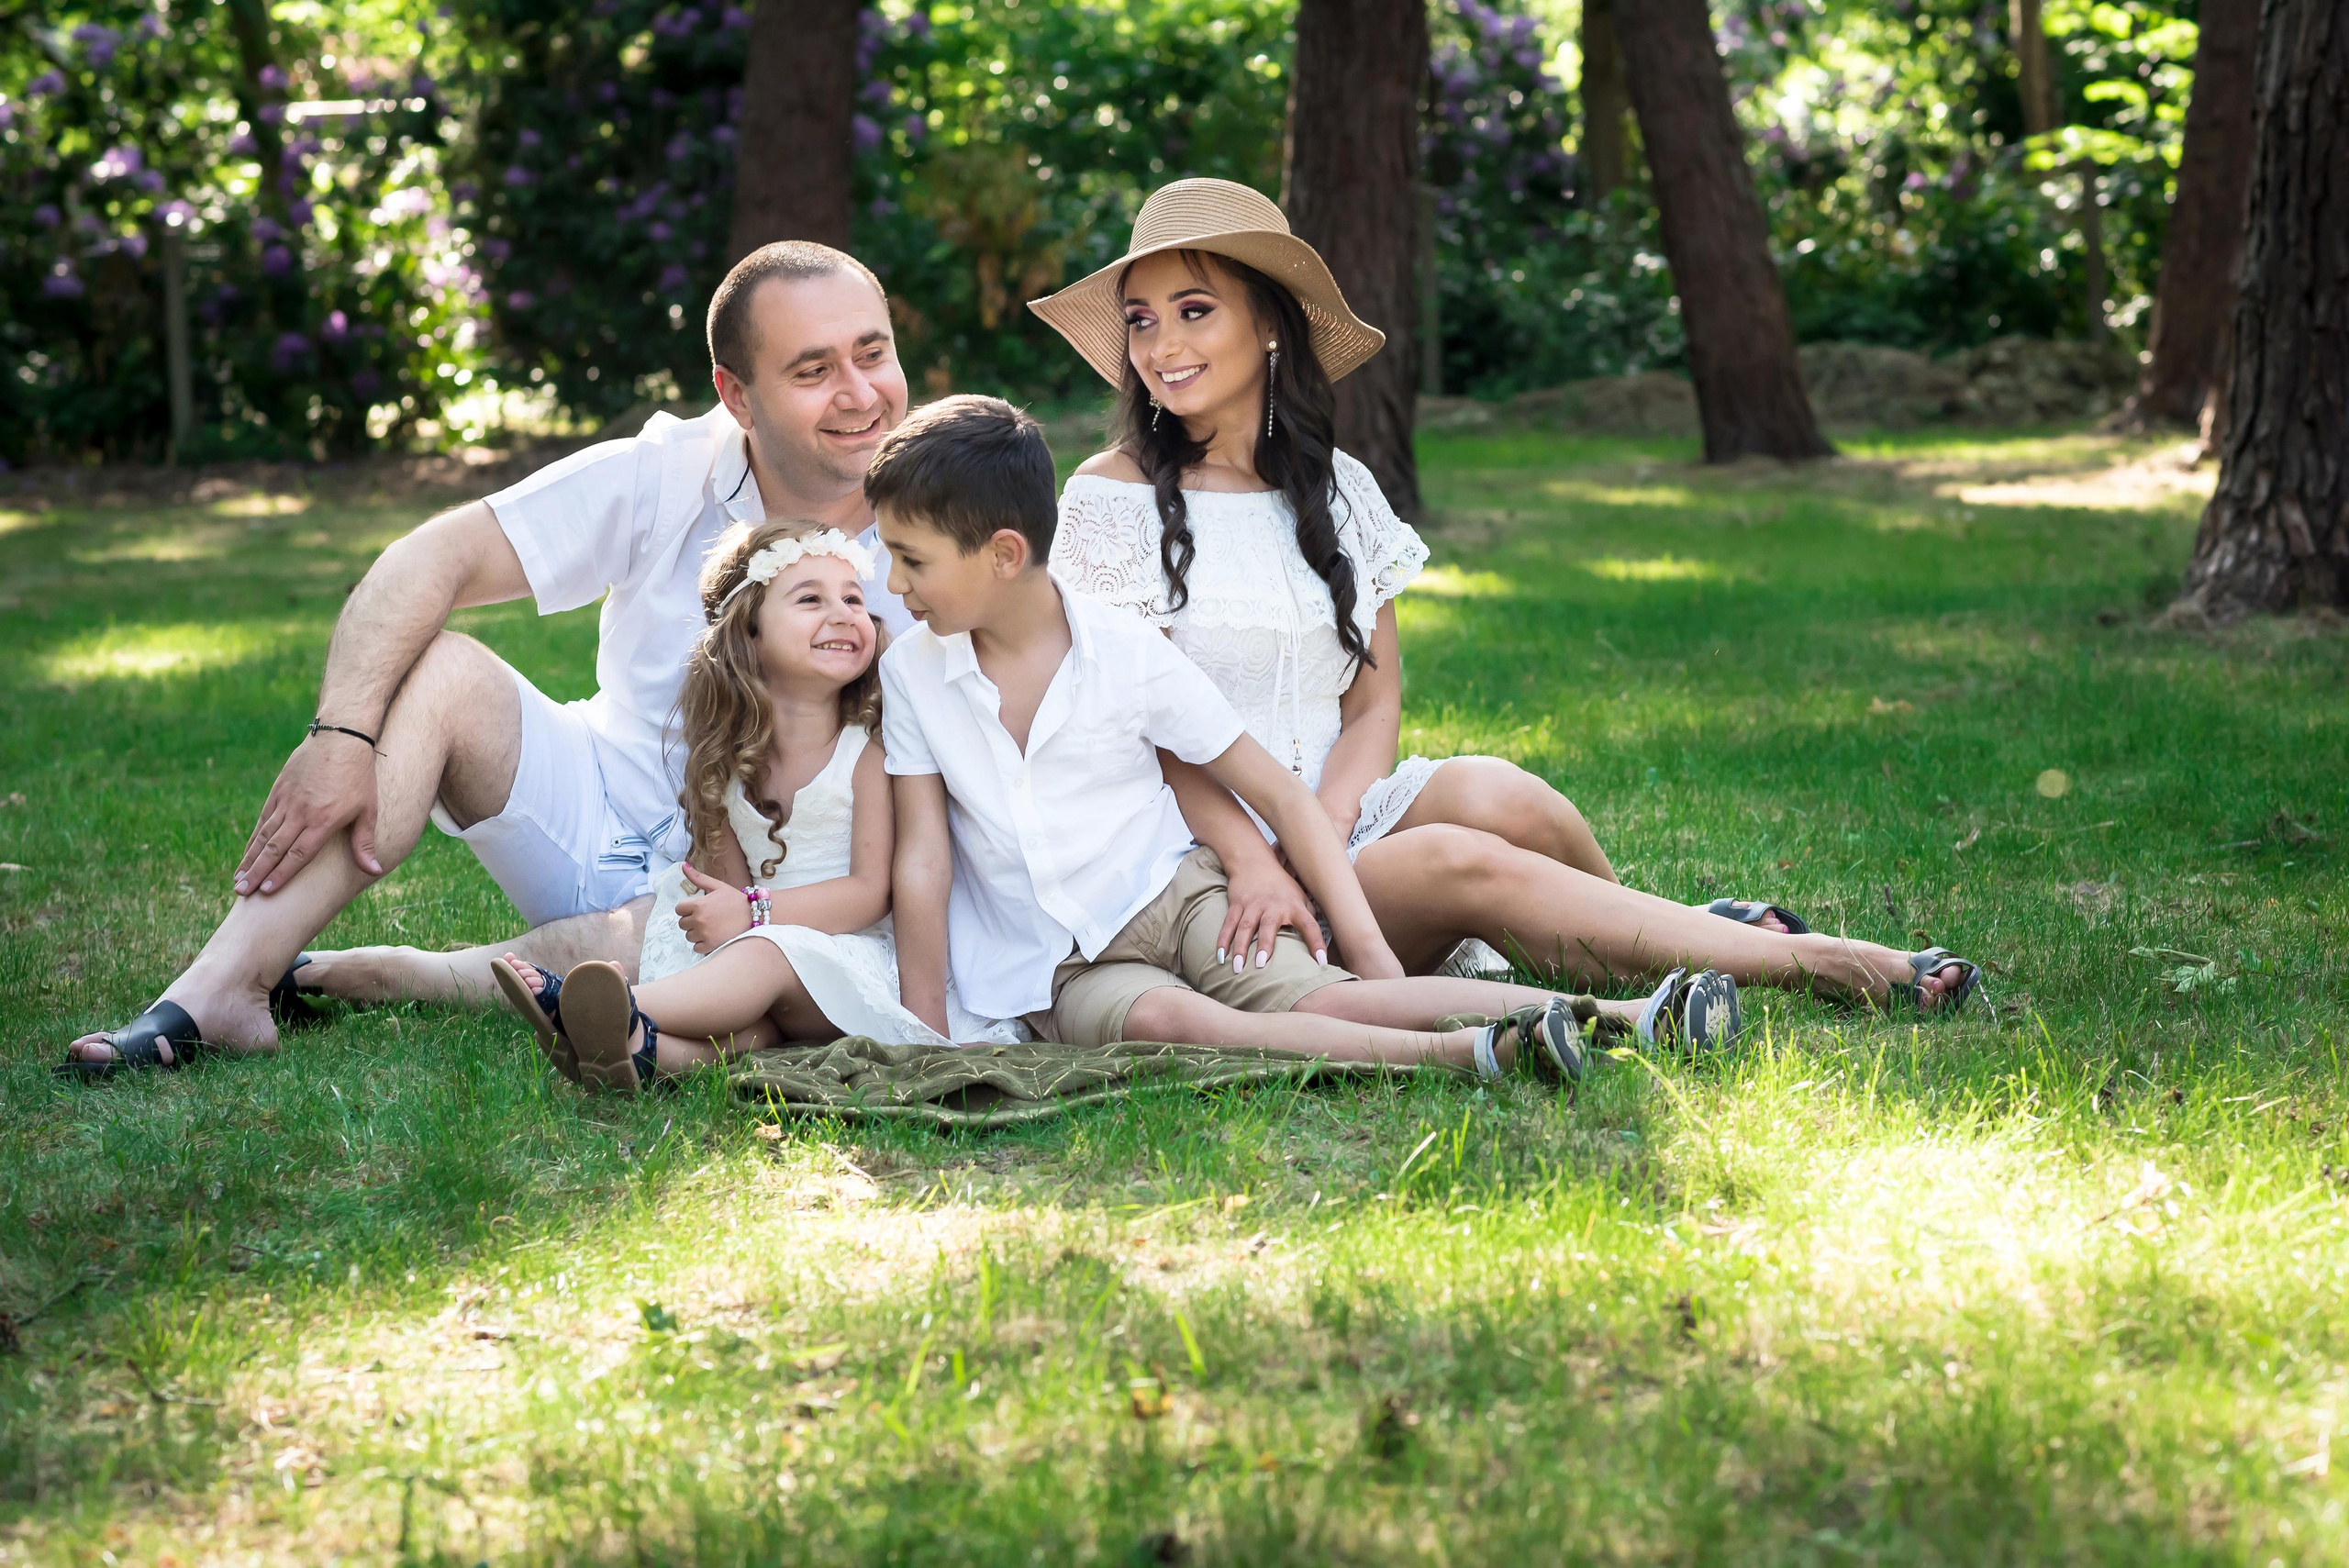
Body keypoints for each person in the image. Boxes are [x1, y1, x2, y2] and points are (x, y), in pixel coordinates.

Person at [1029, 178, 1982, 1015]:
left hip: (1332, 814)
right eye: (1143, 319)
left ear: (1269, 322)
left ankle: (1656, 934)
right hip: (1205, 863)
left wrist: (1323, 824)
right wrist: (1268, 855)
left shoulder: (1339, 486)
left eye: (1193, 310)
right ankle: (1811, 960)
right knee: (1459, 860)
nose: (1160, 344)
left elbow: (1372, 701)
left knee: (1497, 791)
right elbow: (1137, 726)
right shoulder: (1107, 498)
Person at [59, 241, 917, 1074]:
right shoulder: (663, 475)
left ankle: (411, 972)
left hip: (788, 882)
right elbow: (426, 561)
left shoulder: (942, 506)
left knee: (630, 950)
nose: (859, 393)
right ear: (736, 395)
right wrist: (342, 738)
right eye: (813, 370)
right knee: (445, 673)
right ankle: (222, 987)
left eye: (872, 354)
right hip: (601, 817)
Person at [874, 394, 1739, 1077]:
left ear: (1002, 553)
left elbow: (1290, 775)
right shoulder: (913, 673)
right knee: (1180, 1021)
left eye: (911, 560)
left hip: (1179, 892)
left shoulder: (1122, 649)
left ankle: (1630, 1013)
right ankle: (1476, 1050)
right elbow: (923, 859)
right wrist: (923, 1033)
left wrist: (1366, 954)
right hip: (1057, 964)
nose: (893, 582)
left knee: (1319, 997)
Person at [493, 520, 1020, 1094]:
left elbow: (871, 894)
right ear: (750, 632)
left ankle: (597, 1004)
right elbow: (729, 900)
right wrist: (727, 914)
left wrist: (753, 913)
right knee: (751, 1031)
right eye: (811, 599)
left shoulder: (868, 753)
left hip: (860, 965)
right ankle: (634, 1049)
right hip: (772, 974)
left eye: (853, 598)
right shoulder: (726, 764)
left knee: (765, 955)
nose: (844, 613)